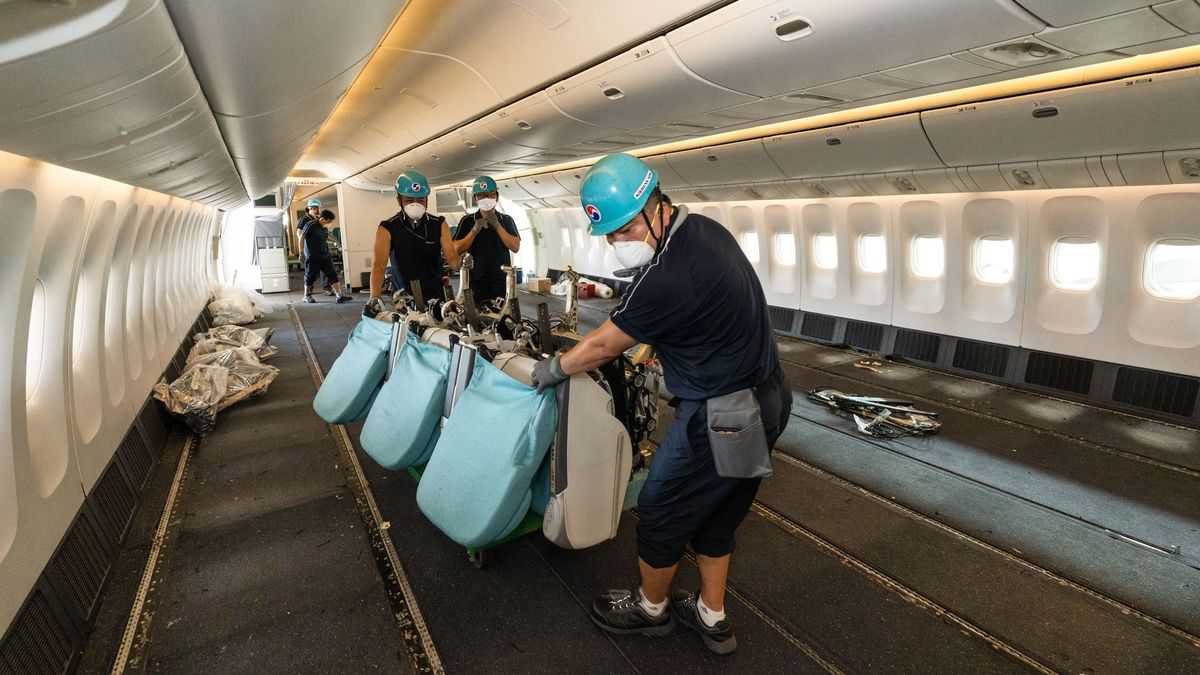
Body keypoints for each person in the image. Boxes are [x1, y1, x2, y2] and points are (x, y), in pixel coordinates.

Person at [530, 154, 791, 656]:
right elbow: (702, 318)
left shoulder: (664, 276)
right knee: (720, 510)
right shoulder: (705, 233)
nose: (615, 243)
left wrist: (553, 370)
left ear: (655, 207)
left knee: (659, 508)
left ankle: (651, 610)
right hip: (768, 397)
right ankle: (712, 616)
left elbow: (604, 345)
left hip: (723, 417)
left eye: (623, 230)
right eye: (609, 234)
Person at [365, 171, 458, 316]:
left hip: (436, 295)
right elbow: (379, 266)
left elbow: (452, 258)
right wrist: (374, 297)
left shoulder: (439, 224)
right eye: (409, 200)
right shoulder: (387, 227)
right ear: (399, 200)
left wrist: (461, 266)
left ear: (427, 200)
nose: (415, 204)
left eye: (420, 200)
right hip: (404, 298)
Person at [451, 176, 521, 303]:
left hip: (500, 282)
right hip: (475, 283)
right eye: (482, 196)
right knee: (474, 319)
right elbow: (456, 249)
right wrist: (474, 230)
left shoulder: (506, 220)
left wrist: (497, 226)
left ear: (497, 197)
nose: (487, 199)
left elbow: (515, 247)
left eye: (491, 195)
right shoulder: (467, 221)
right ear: (475, 198)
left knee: (501, 319)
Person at [300, 209, 351, 304]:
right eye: (329, 221)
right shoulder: (310, 225)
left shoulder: (324, 228)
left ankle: (339, 296)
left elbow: (327, 236)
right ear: (323, 219)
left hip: (325, 255)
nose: (330, 223)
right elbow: (302, 237)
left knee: (332, 274)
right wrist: (301, 252)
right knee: (310, 276)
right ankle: (306, 296)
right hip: (313, 256)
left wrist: (337, 241)